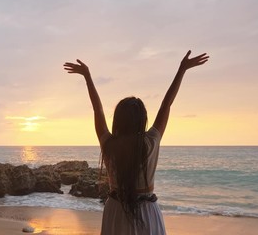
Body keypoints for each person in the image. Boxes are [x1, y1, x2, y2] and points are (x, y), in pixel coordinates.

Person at [63, 50, 209, 235]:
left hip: (115, 209)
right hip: (147, 211)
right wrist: (182, 70)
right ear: (142, 120)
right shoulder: (150, 142)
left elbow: (97, 109)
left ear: (118, 120)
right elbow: (166, 104)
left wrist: (88, 77)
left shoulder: (109, 144)